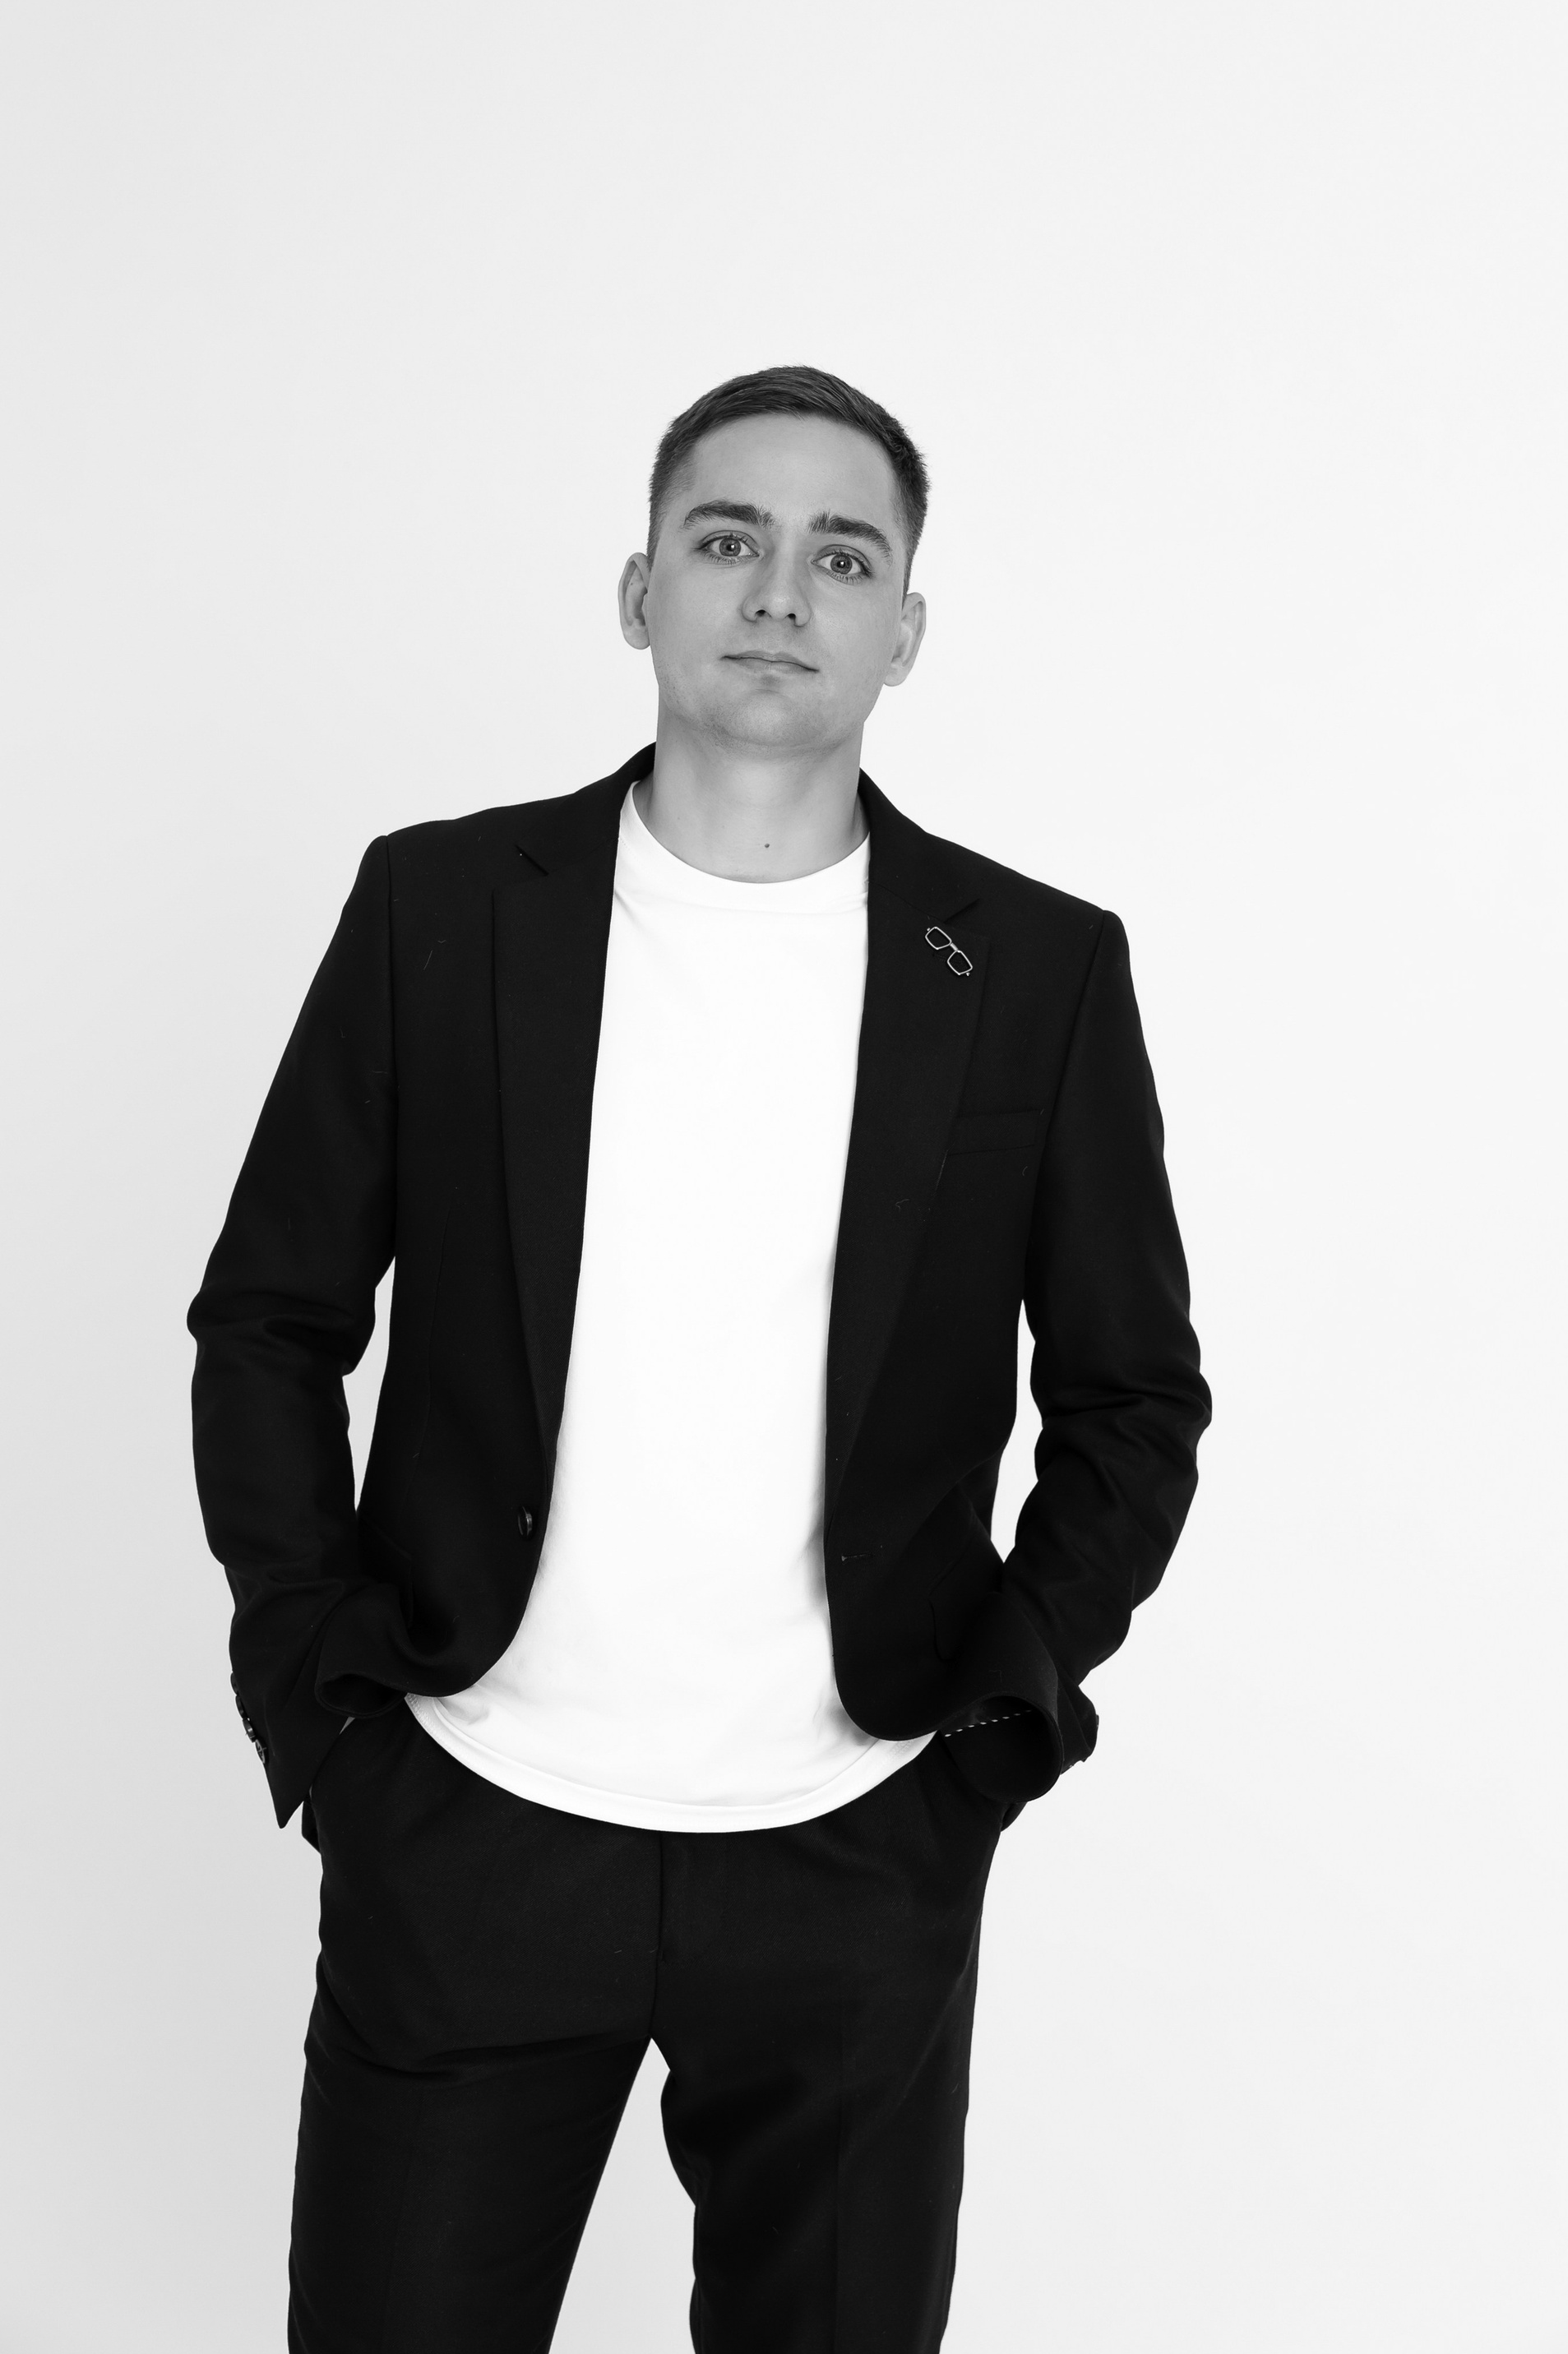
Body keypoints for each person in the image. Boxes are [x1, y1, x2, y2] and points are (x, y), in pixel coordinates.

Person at [189, 363, 1210, 2353]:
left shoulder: (1034, 968)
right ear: (639, 586)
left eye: (845, 556)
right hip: (473, 1814)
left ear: (905, 629)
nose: (779, 593)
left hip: (854, 1843)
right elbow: (271, 1320)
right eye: (729, 538)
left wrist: (982, 1747)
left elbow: (1133, 1399)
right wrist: (325, 1701)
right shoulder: (442, 908)